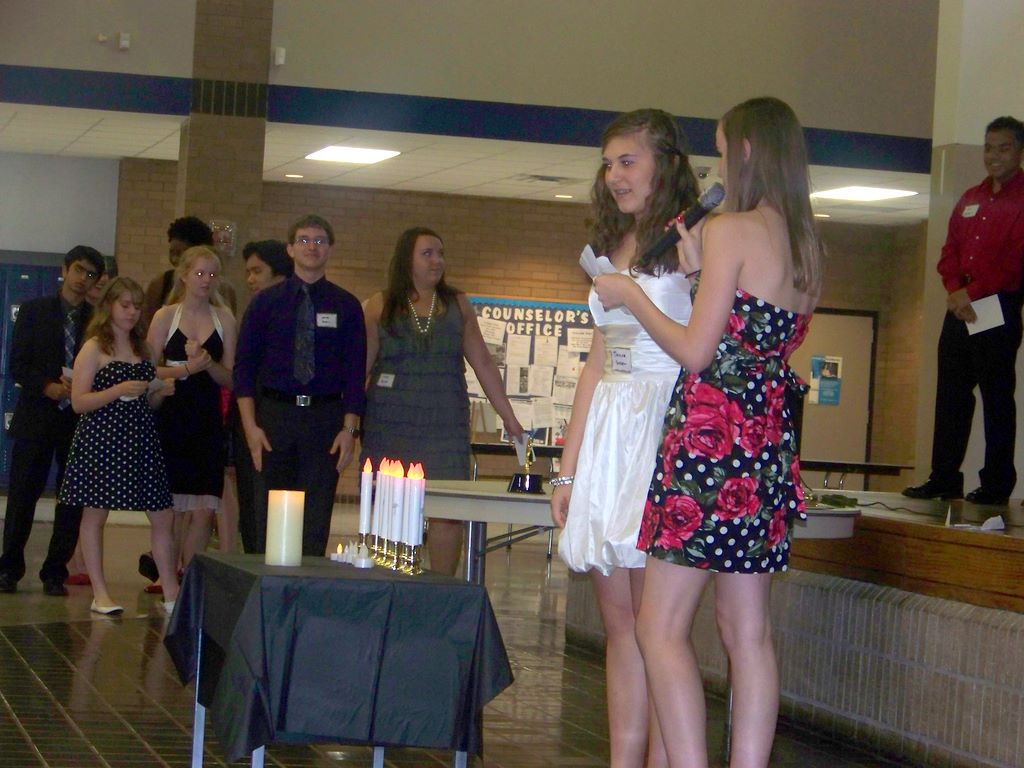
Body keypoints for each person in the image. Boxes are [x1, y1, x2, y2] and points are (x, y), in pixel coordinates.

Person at [593, 97, 822, 767]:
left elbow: (698, 353)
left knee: (659, 627)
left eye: (723, 150)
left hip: (707, 441)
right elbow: (750, 338)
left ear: (746, 150)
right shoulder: (810, 245)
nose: (719, 166)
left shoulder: (730, 229)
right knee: (747, 633)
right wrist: (696, 275)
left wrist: (631, 295)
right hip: (766, 446)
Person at [549, 108, 700, 767]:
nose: (614, 175)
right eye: (608, 164)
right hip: (611, 426)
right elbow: (595, 362)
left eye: (628, 161)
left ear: (665, 164)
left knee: (656, 627)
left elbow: (705, 346)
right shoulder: (616, 242)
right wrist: (568, 467)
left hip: (662, 421)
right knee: (619, 625)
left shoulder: (694, 238)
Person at [361, 227, 525, 576]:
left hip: (445, 423)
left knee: (447, 511)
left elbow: (483, 363)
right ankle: (391, 582)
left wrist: (509, 417)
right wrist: (346, 422)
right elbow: (360, 368)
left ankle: (441, 588)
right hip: (390, 423)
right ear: (407, 259)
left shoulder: (457, 304)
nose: (437, 261)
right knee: (391, 505)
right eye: (427, 254)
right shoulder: (378, 305)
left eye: (440, 253)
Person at [903, 116, 1024, 506]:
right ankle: (944, 478)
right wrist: (956, 290)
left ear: (1020, 152)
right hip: (960, 305)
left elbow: (1015, 261)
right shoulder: (972, 197)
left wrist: (972, 292)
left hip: (998, 304)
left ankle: (996, 483)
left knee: (996, 397)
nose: (994, 156)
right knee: (951, 394)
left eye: (1004, 148)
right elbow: (950, 251)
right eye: (989, 148)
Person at [234, 214, 366, 556]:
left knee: (316, 515)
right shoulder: (265, 303)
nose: (312, 247)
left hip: (325, 419)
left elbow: (354, 374)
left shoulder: (346, 306)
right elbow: (244, 370)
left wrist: (349, 431)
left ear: (330, 249)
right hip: (273, 417)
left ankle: (308, 582)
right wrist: (250, 428)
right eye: (304, 240)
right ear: (290, 249)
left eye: (320, 241)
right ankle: (268, 581)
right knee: (267, 513)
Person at [59, 277, 177, 615]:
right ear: (108, 306)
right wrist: (118, 389)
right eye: (124, 305)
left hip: (140, 437)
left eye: (137, 306)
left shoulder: (143, 349)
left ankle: (172, 592)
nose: (131, 312)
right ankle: (100, 592)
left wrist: (158, 392)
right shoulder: (95, 347)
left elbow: (146, 403)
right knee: (95, 512)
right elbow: (79, 402)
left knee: (163, 513)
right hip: (102, 438)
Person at [0, 245, 104, 596]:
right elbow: (17, 364)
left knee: (70, 500)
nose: (82, 279)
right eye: (78, 270)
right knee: (22, 496)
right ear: (64, 269)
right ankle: (9, 569)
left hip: (77, 420)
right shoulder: (34, 311)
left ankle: (55, 572)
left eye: (90, 274)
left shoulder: (97, 321)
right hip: (37, 416)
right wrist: (47, 387)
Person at [148, 246, 236, 567]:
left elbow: (231, 378)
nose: (205, 280)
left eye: (212, 274)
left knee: (204, 508)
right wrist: (182, 369)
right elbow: (146, 370)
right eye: (199, 273)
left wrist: (207, 364)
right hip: (172, 415)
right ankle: (167, 574)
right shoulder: (165, 316)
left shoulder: (224, 319)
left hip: (206, 417)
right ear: (184, 276)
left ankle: (190, 575)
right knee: (169, 508)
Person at [235, 240, 292, 553]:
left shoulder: (288, 310)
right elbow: (243, 370)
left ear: (279, 273)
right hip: (252, 414)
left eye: (257, 271)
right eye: (248, 272)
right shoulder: (255, 310)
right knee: (253, 502)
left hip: (280, 413)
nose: (250, 279)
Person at [143, 216, 237, 326]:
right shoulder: (160, 284)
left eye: (180, 253)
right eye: (172, 252)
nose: (174, 259)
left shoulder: (224, 290)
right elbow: (147, 323)